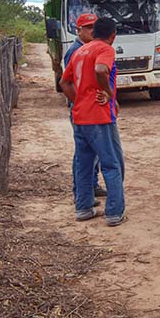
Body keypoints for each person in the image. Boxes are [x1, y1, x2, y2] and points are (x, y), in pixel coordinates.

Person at [59, 17, 127, 226]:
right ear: (113, 35)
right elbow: (100, 70)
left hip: (80, 117)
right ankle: (114, 212)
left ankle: (84, 208)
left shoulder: (80, 50)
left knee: (84, 163)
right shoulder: (105, 49)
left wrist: (78, 99)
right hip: (98, 116)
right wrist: (109, 93)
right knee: (112, 163)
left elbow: (64, 81)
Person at [63, 13, 105, 199]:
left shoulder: (89, 48)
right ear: (78, 30)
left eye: (94, 27)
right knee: (83, 153)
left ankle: (91, 186)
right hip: (83, 111)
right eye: (88, 27)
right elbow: (67, 82)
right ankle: (81, 192)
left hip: (90, 109)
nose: (92, 30)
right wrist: (79, 103)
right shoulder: (75, 51)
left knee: (92, 151)